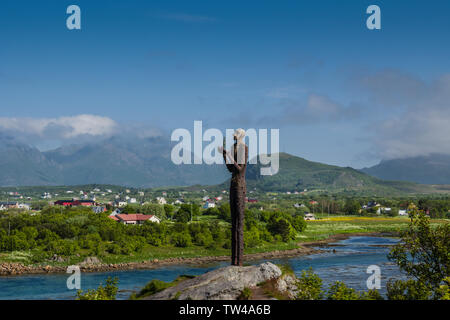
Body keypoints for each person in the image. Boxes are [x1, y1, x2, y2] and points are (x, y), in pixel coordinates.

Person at [218, 129, 248, 266]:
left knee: (239, 224)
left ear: (241, 135)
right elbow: (231, 169)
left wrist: (229, 155)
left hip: (240, 186)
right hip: (233, 184)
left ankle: (239, 261)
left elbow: (240, 169)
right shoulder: (234, 148)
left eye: (236, 133)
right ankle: (233, 261)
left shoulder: (244, 148)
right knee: (234, 224)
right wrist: (225, 155)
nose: (233, 135)